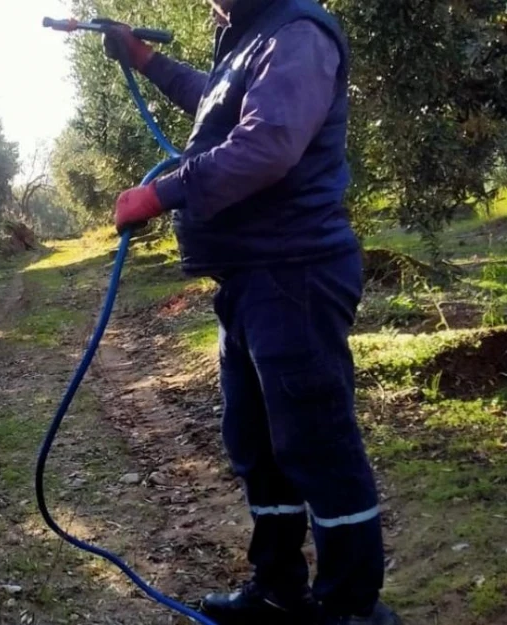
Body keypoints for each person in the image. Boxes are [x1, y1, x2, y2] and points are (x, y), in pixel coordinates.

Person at [98, 1, 402, 624]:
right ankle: (278, 589)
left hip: (295, 272)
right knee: (257, 444)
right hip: (250, 279)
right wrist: (148, 61)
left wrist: (161, 192)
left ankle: (351, 608)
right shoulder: (252, 39)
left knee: (317, 443)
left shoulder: (298, 34)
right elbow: (216, 100)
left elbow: (267, 144)